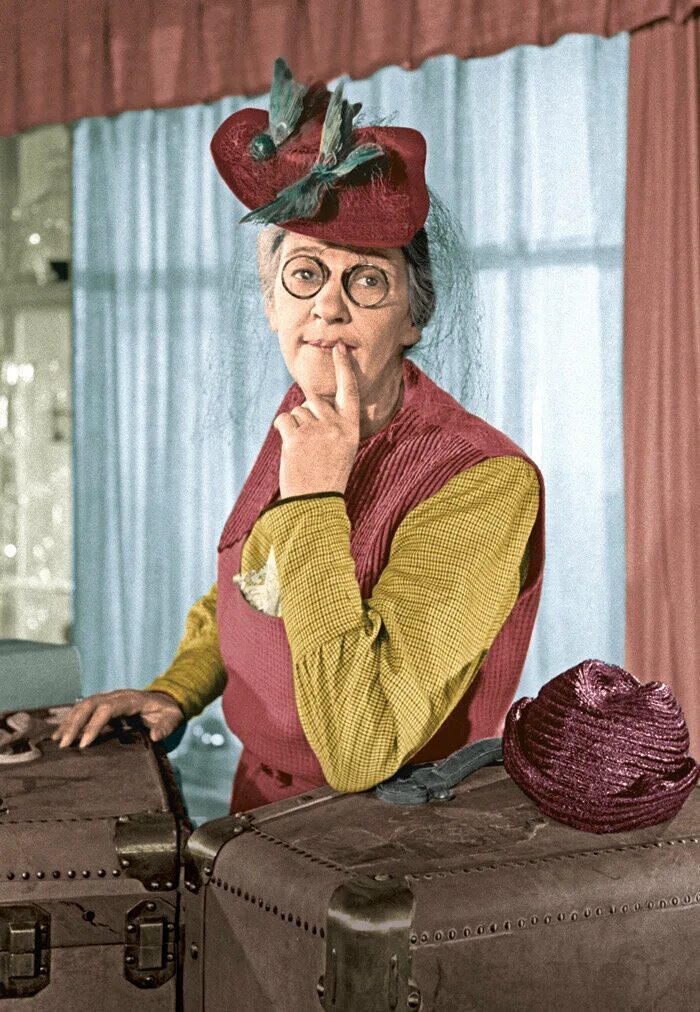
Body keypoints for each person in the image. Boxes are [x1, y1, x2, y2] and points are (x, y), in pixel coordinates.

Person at [53, 60, 545, 815]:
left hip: (386, 838)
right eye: (306, 274)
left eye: (368, 280)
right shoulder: (307, 414)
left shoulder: (483, 481)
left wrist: (316, 500)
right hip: (254, 812)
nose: (329, 309)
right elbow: (252, 588)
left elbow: (360, 746)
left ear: (414, 317)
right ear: (270, 302)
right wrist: (176, 692)